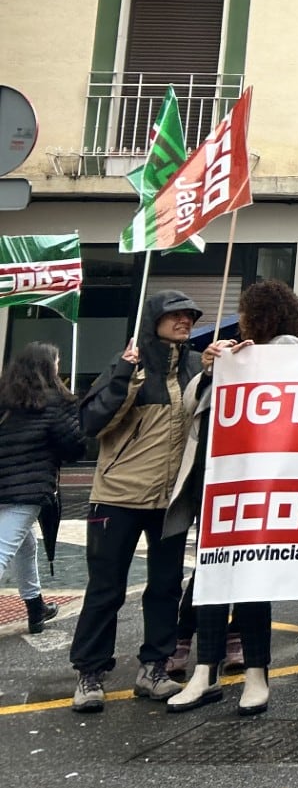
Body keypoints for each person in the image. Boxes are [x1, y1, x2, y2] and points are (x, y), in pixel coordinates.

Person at [169, 282, 298, 716]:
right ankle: (209, 670)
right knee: (215, 578)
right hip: (220, 483)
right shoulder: (233, 356)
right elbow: (195, 408)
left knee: (246, 580)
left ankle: (254, 672)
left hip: (254, 484)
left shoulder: (282, 353)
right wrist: (212, 368)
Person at [69, 290, 211, 712]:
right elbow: (91, 424)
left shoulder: (194, 364)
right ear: (153, 319)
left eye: (189, 315)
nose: (183, 321)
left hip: (173, 499)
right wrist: (124, 379)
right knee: (106, 589)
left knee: (166, 587)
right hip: (118, 496)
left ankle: (154, 668)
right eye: (174, 315)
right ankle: (90, 673)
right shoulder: (125, 363)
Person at [0, 342, 85, 636]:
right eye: (58, 362)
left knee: (26, 545)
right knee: (3, 550)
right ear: (49, 367)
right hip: (26, 490)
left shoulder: (5, 398)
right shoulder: (54, 401)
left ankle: (36, 607)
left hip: (6, 486)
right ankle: (36, 607)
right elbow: (74, 448)